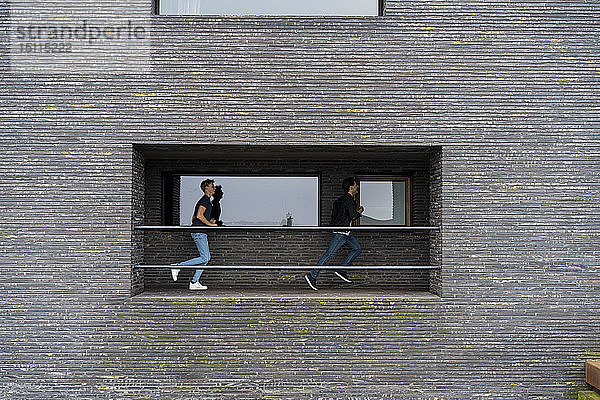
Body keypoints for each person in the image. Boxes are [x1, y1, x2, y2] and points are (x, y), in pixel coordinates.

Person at [305, 177, 364, 291]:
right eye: (356, 185)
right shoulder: (350, 200)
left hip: (344, 232)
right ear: (351, 187)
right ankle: (312, 275)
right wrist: (360, 211)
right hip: (342, 232)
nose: (358, 187)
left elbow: (335, 217)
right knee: (329, 254)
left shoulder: (339, 201)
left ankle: (342, 269)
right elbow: (353, 216)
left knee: (357, 248)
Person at [171, 179, 218, 290]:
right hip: (199, 232)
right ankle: (178, 266)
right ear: (206, 187)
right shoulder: (205, 199)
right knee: (205, 257)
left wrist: (208, 222)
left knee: (205, 258)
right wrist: (210, 225)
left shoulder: (205, 201)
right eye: (212, 186)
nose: (214, 188)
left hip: (199, 231)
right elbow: (199, 216)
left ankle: (194, 282)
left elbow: (194, 218)